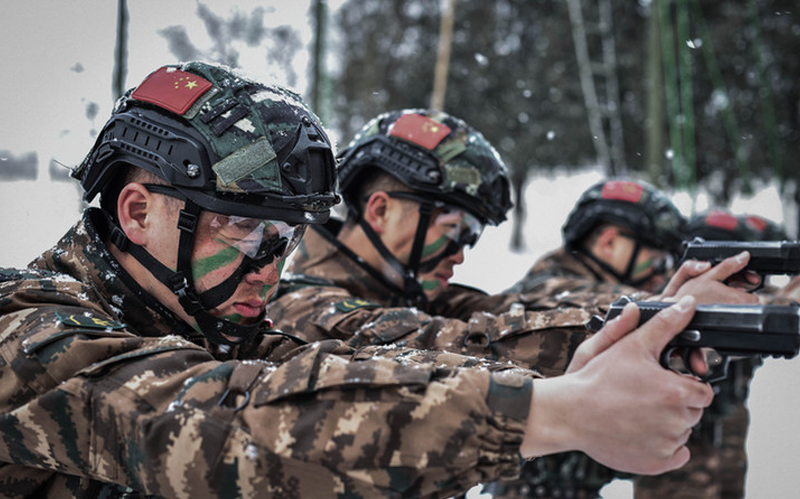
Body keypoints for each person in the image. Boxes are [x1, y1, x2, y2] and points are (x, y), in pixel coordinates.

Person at [0, 62, 720, 499]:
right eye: (245, 230)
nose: (270, 267)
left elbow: (370, 373)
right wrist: (551, 411)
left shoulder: (207, 322)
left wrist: (586, 363)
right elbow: (218, 422)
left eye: (287, 239)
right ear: (136, 211)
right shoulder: (26, 333)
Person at [507, 195, 766, 499]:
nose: (661, 273)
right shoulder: (548, 289)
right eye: (658, 259)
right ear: (609, 242)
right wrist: (684, 306)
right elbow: (609, 311)